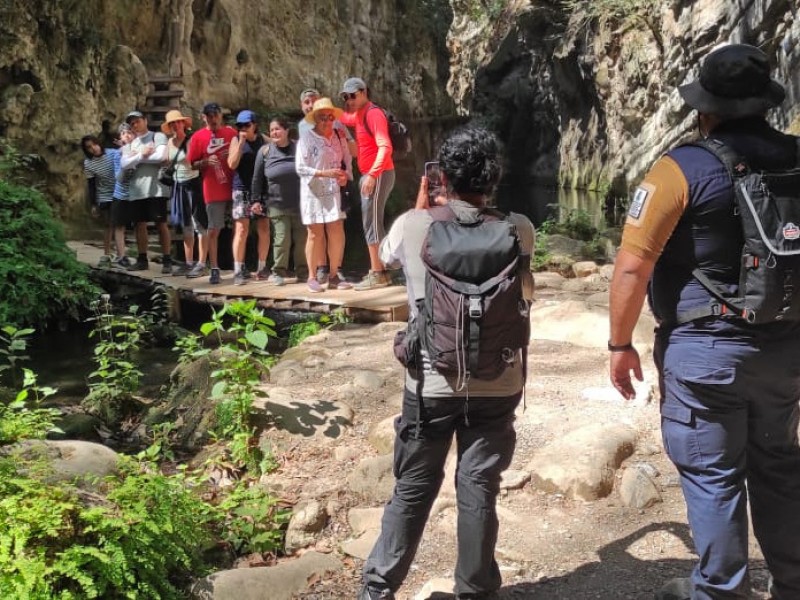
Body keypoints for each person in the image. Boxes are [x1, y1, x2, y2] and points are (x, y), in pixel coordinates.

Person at [608, 44, 800, 600]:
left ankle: (721, 592)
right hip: (785, 350)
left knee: (714, 478)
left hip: (705, 352)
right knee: (779, 466)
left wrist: (620, 343)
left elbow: (632, 268)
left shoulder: (680, 168)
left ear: (705, 106)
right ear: (765, 103)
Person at [360, 126, 535, 600]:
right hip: (499, 381)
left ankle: (378, 588)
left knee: (415, 486)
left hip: (431, 385)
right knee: (478, 484)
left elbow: (387, 257)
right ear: (493, 178)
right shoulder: (519, 229)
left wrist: (424, 197)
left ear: (442, 176)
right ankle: (475, 591)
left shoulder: (415, 225)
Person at [339, 77, 395, 290]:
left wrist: (372, 174)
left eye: (353, 95)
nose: (349, 100)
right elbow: (345, 118)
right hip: (372, 174)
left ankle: (378, 273)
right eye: (346, 97)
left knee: (371, 222)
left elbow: (385, 146)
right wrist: (322, 111)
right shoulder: (360, 114)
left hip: (378, 174)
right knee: (372, 222)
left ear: (364, 92)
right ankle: (381, 271)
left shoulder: (373, 114)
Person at [299, 88, 357, 283]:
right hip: (313, 191)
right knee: (314, 233)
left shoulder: (339, 136)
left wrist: (345, 177)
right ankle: (312, 276)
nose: (327, 121)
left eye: (330, 117)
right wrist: (324, 174)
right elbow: (300, 167)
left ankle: (334, 274)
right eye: (323, 117)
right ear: (315, 118)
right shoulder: (306, 137)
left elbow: (347, 160)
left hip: (334, 191)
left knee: (336, 228)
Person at [251, 115, 306, 285]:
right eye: (272, 129)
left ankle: (303, 272)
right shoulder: (265, 152)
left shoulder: (298, 147)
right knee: (282, 240)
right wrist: (256, 200)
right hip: (276, 203)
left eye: (278, 129)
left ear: (286, 130)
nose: (274, 132)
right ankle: (278, 272)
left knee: (302, 239)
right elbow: (257, 178)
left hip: (300, 203)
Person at [186, 102, 237, 285]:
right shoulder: (198, 137)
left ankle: (239, 266)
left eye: (216, 114)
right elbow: (192, 163)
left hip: (234, 186)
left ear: (221, 115)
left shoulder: (231, 133)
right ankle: (214, 268)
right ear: (203, 117)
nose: (213, 118)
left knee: (238, 228)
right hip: (212, 188)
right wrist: (206, 162)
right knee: (213, 229)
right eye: (209, 115)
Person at [119, 110, 172, 273]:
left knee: (160, 223)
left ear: (145, 121)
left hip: (156, 188)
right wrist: (142, 154)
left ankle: (167, 260)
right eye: (132, 123)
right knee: (139, 224)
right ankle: (142, 259)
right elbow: (124, 164)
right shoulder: (130, 144)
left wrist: (137, 158)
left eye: (137, 121)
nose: (135, 125)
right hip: (136, 189)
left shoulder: (158, 137)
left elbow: (161, 156)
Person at [162, 109, 208, 277]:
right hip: (178, 184)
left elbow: (195, 160)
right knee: (185, 225)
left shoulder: (192, 140)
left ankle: (202, 263)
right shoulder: (169, 142)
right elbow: (165, 160)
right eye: (172, 123)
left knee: (199, 224)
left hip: (193, 183)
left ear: (183, 123)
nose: (175, 125)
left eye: (177, 122)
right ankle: (189, 263)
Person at [227, 109, 268, 286]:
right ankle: (238, 269)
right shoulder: (236, 140)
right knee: (241, 229)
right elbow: (231, 164)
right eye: (240, 125)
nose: (243, 128)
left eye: (246, 125)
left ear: (254, 125)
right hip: (241, 188)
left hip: (260, 190)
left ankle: (262, 267)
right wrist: (241, 143)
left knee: (264, 228)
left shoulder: (263, 140)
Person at [81, 134, 117, 266]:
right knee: (108, 224)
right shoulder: (88, 163)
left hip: (118, 192)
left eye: (94, 144)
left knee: (119, 224)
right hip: (104, 194)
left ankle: (120, 254)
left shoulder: (113, 153)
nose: (93, 148)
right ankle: (106, 254)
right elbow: (91, 184)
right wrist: (93, 204)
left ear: (98, 143)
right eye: (89, 147)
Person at [110, 123, 135, 269]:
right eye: (124, 133)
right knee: (119, 226)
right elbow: (118, 177)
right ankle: (121, 256)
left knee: (138, 225)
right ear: (120, 136)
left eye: (130, 133)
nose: (127, 135)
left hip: (135, 195)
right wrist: (127, 159)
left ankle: (140, 256)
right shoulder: (117, 154)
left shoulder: (139, 152)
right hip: (120, 195)